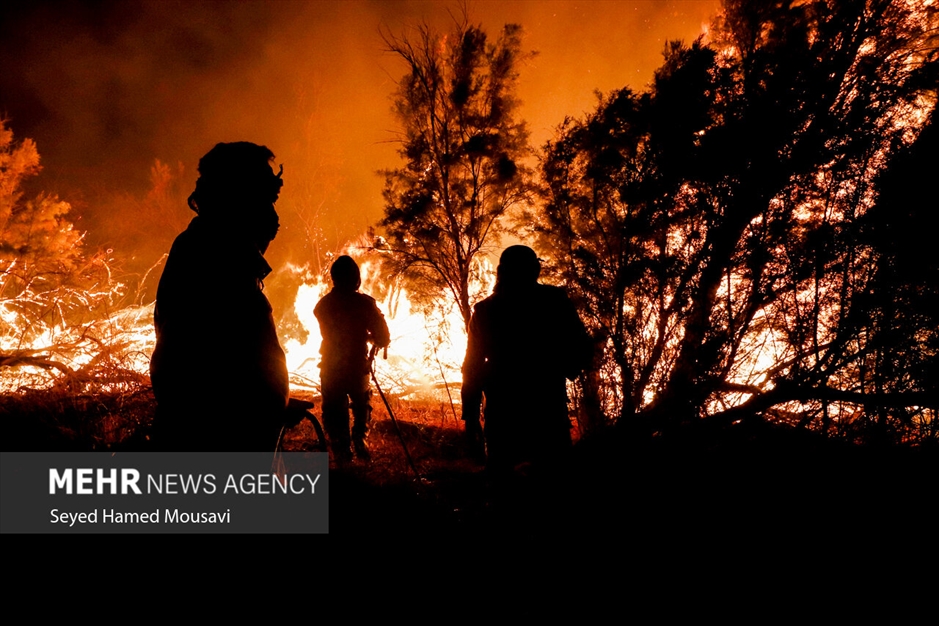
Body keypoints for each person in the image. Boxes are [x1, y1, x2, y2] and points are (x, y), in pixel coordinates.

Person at [149, 142, 292, 451]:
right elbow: (214, 365)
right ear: (238, 197)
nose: (273, 217)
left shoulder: (213, 249)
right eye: (265, 197)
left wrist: (274, 404)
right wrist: (259, 405)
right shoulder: (215, 257)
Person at [461, 245, 592, 476]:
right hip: (546, 404)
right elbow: (580, 345)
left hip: (503, 408)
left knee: (503, 482)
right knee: (554, 476)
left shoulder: (485, 310)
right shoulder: (554, 301)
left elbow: (472, 367)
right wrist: (564, 367)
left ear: (501, 271)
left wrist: (471, 416)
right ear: (535, 270)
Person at [314, 255, 390, 462]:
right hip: (356, 365)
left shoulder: (323, 305)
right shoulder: (364, 304)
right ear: (356, 278)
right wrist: (369, 337)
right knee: (361, 404)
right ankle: (359, 441)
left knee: (333, 409)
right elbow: (383, 337)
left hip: (330, 364)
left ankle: (341, 451)